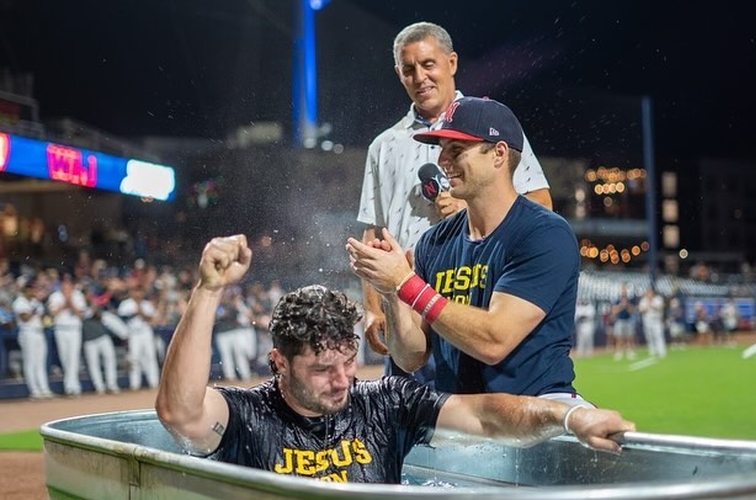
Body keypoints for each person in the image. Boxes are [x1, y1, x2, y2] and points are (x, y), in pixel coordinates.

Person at [155, 235, 635, 484]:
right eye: (321, 370)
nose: (342, 380)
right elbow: (180, 412)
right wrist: (208, 289)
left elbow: (488, 416)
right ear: (278, 361)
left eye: (348, 361)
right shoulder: (249, 416)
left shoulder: (384, 402)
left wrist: (568, 415)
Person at [347, 96, 585, 403]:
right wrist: (392, 293)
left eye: (457, 150)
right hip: (463, 416)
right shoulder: (435, 241)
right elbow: (411, 357)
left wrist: (407, 284)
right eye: (442, 148)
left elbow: (495, 340)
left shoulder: (544, 233)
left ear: (498, 154)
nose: (443, 160)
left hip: (536, 410)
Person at [356, 21, 553, 385]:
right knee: (409, 420)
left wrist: (476, 211)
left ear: (452, 63)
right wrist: (371, 307)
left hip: (473, 292)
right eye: (408, 69)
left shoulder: (491, 125)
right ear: (398, 74)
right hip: (407, 306)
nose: (420, 77)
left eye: (428, 64)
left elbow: (540, 203)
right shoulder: (383, 145)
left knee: (481, 414)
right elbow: (375, 231)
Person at [12, 276, 53, 399]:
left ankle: (44, 389)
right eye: (31, 288)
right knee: (30, 363)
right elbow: (25, 318)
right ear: (25, 289)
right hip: (27, 333)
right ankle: (34, 390)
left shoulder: (35, 301)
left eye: (34, 288)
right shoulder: (19, 301)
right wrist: (35, 309)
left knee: (40, 363)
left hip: (38, 332)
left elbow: (42, 319)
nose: (33, 291)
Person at [47, 274, 87, 396]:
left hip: (74, 329)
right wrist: (65, 303)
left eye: (69, 283)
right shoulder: (55, 296)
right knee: (65, 358)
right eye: (64, 283)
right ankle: (70, 384)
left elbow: (81, 314)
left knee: (73, 357)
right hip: (61, 329)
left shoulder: (78, 295)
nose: (66, 286)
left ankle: (72, 386)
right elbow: (52, 313)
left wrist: (71, 302)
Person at [117, 285, 160, 390]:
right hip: (133, 333)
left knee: (150, 357)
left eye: (139, 292)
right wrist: (134, 313)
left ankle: (154, 383)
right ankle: (135, 384)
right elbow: (121, 318)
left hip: (146, 332)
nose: (137, 294)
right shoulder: (126, 304)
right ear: (131, 292)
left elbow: (153, 319)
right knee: (134, 359)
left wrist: (141, 312)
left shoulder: (146, 304)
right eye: (135, 291)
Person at [638, 287, 666, 358]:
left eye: (650, 292)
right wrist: (647, 305)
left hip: (656, 320)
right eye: (647, 293)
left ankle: (661, 351)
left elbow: (660, 308)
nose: (649, 294)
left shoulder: (658, 299)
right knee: (649, 336)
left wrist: (652, 304)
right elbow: (641, 310)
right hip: (647, 321)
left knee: (658, 335)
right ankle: (652, 351)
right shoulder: (643, 300)